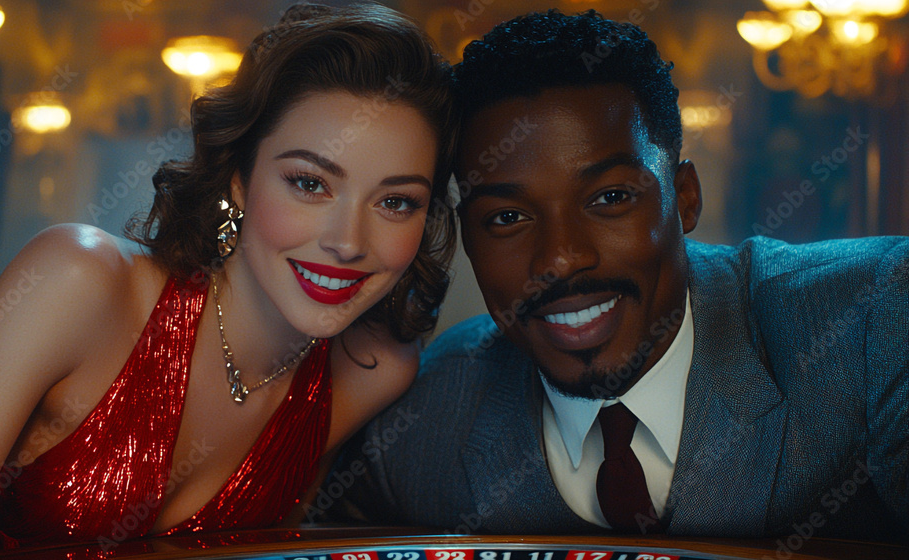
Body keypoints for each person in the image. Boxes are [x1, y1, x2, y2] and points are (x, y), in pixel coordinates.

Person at [332, 9, 908, 543]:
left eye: (609, 198)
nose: (560, 258)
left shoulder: (872, 319)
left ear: (684, 199)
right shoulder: (423, 420)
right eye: (506, 217)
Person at [0, 4, 457, 558]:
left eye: (395, 202)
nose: (349, 241)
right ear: (239, 180)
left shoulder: (371, 372)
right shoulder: (77, 281)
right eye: (310, 184)